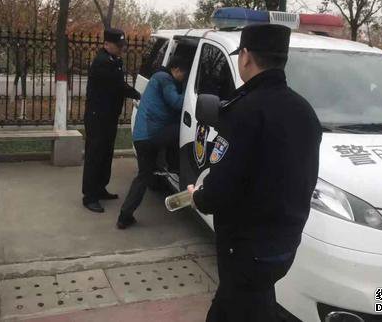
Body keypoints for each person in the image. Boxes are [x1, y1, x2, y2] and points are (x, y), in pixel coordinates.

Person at [188, 23, 322, 322]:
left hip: (246, 249)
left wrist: (199, 197)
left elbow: (222, 185)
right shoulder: (304, 111)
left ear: (246, 56)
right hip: (284, 244)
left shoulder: (244, 111)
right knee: (249, 303)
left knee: (240, 305)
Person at [117, 56, 190, 229]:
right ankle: (175, 167)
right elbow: (176, 102)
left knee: (144, 176)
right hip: (149, 135)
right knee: (181, 131)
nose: (183, 78)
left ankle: (125, 216)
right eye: (184, 75)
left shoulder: (158, 77)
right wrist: (190, 93)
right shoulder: (165, 79)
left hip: (143, 136)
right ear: (176, 69)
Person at [82, 28, 140, 213]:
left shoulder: (115, 60)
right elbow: (118, 85)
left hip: (109, 116)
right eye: (118, 46)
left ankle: (100, 188)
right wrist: (138, 94)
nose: (122, 49)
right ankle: (90, 196)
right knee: (95, 155)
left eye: (122, 46)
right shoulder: (102, 62)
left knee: (106, 154)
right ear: (106, 44)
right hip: (97, 117)